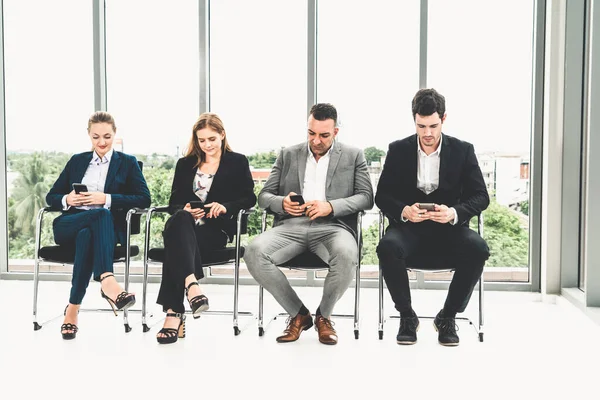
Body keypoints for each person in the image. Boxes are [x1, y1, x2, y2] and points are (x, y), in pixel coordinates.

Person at [244, 103, 373, 345]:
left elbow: (366, 197)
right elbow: (264, 196)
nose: (316, 140)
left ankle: (324, 316)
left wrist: (331, 206)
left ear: (336, 131)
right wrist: (283, 203)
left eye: (324, 135)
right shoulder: (288, 154)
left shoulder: (354, 155)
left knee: (346, 254)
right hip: (290, 227)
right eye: (311, 133)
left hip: (333, 228)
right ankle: (299, 315)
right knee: (253, 252)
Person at [375, 88, 490, 346]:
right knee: (387, 247)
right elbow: (382, 196)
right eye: (421, 126)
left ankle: (448, 316)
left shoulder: (463, 150)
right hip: (408, 231)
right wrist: (404, 211)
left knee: (478, 249)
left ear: (444, 119)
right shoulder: (398, 149)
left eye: (433, 126)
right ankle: (407, 316)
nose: (427, 133)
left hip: (449, 230)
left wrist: (454, 213)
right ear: (414, 120)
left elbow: (481, 196)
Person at [46, 111, 151, 340]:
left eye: (106, 136)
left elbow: (144, 199)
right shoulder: (77, 161)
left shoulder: (128, 163)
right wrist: (67, 199)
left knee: (90, 232)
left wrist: (106, 198)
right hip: (68, 225)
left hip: (100, 232)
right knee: (97, 218)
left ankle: (72, 310)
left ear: (115, 133)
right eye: (96, 137)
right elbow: (51, 196)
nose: (101, 142)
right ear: (88, 135)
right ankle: (108, 282)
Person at [155, 112, 256, 345]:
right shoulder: (185, 164)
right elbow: (174, 203)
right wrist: (188, 209)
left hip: (215, 229)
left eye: (211, 139)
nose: (207, 145)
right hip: (186, 224)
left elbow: (249, 198)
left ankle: (173, 314)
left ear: (222, 135)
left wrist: (225, 206)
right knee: (180, 218)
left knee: (175, 246)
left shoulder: (237, 161)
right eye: (202, 140)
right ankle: (192, 285)